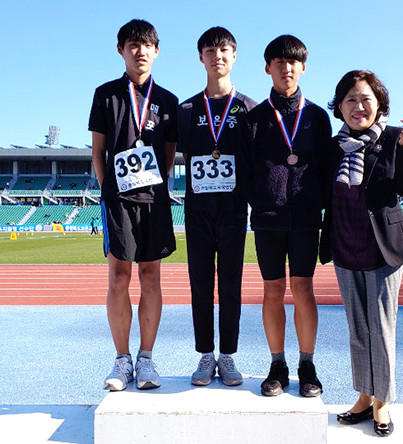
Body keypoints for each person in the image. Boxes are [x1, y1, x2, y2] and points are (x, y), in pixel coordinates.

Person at [319, 70, 403, 437]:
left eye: (365, 99)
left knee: (381, 328)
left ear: (378, 104)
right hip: (344, 245)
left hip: (382, 249)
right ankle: (363, 395)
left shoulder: (394, 138)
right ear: (340, 106)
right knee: (358, 329)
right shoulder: (333, 148)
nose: (358, 107)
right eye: (350, 100)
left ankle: (383, 402)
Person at [239, 35, 332, 397]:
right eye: (279, 61)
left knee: (305, 289)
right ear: (268, 68)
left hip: (307, 218)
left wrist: (316, 204)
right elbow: (245, 171)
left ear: (303, 67)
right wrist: (262, 202)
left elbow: (326, 167)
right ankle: (277, 363)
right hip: (268, 218)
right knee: (273, 290)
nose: (286, 67)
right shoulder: (256, 119)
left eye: (293, 62)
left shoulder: (318, 118)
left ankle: (307, 363)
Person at [89, 19, 178, 391]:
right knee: (118, 277)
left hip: (154, 200)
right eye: (132, 44)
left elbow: (170, 155)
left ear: (156, 51)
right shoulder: (106, 94)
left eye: (147, 45)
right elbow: (98, 152)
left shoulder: (169, 101)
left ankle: (146, 359)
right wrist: (110, 189)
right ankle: (121, 360)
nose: (140, 51)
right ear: (121, 50)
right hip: (118, 202)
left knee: (151, 276)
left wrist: (155, 186)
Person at [177, 27, 257, 387]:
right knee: (199, 282)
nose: (217, 56)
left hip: (233, 208)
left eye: (224, 50)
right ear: (201, 58)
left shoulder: (250, 109)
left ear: (234, 56)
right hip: (197, 209)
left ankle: (227, 356)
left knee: (231, 282)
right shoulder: (187, 109)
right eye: (210, 50)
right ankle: (205, 356)